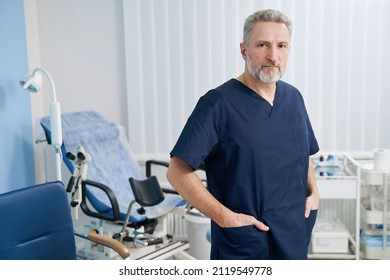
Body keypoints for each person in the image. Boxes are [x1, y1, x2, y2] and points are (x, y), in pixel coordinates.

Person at [166, 9, 320, 260]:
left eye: (282, 45)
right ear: (243, 50)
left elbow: (305, 153)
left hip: (293, 235)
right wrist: (222, 216)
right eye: (262, 45)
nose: (273, 55)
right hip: (246, 244)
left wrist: (314, 193)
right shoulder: (218, 104)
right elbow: (177, 171)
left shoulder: (293, 98)